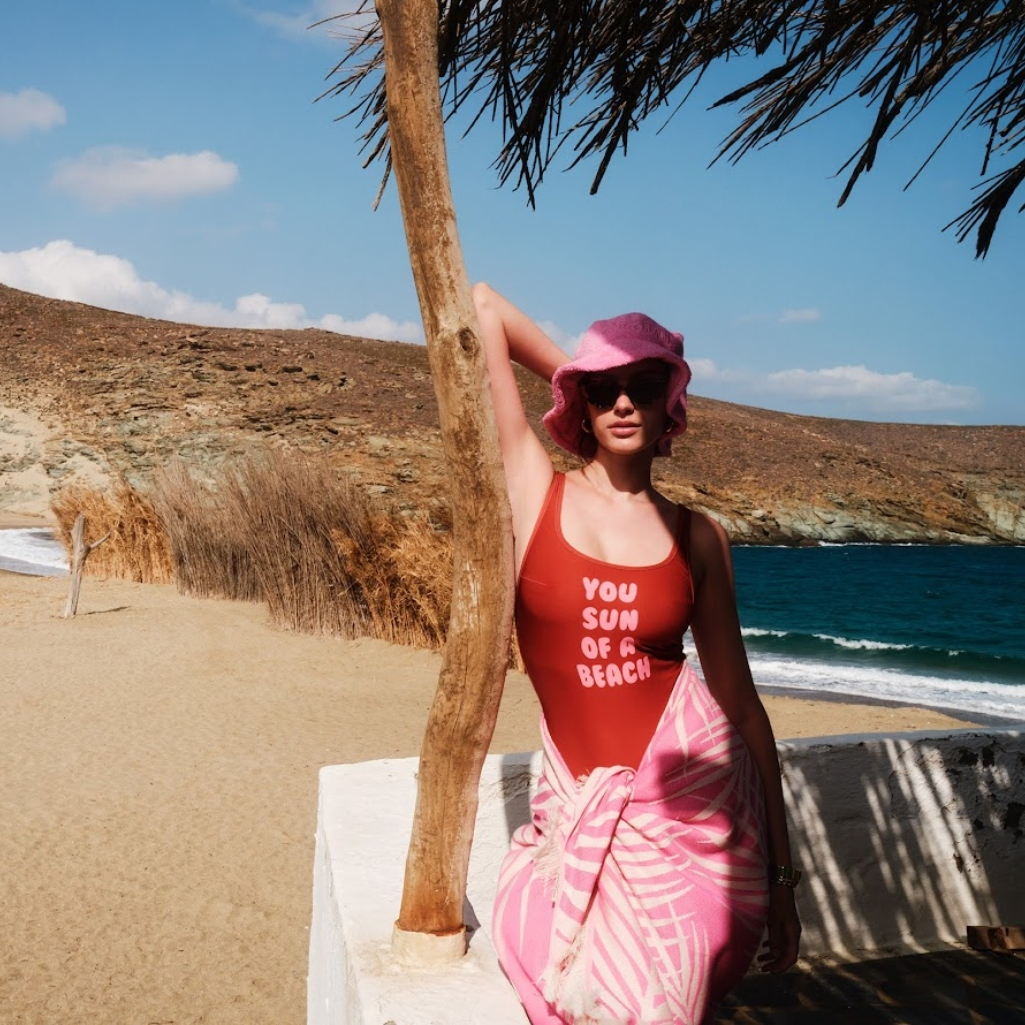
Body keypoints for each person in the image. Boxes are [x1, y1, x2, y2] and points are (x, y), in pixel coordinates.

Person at [472, 283, 802, 1025]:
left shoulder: (698, 537)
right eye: (604, 391)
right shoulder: (536, 491)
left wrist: (782, 878)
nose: (623, 404)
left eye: (643, 388)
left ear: (670, 408)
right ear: (580, 403)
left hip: (693, 829)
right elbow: (483, 307)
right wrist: (586, 379)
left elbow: (743, 709)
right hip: (577, 820)